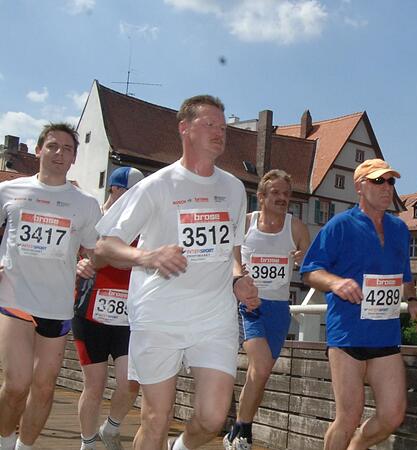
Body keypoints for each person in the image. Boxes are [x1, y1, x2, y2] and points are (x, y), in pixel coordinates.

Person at [94, 95, 258, 450]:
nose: (219, 132)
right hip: (159, 315)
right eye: (209, 124)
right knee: (156, 418)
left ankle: (180, 447)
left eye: (223, 126)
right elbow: (105, 245)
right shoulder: (157, 185)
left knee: (213, 418)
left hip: (213, 317)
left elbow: (231, 249)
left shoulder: (233, 188)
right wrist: (147, 255)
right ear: (184, 129)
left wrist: (238, 277)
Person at [301, 158, 417, 450]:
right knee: (348, 416)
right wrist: (335, 283)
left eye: (391, 181)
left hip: (385, 333)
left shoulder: (399, 228)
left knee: (393, 414)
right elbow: (310, 271)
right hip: (348, 333)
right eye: (378, 181)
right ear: (359, 187)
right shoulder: (340, 225)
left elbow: (404, 275)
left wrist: (413, 300)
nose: (387, 188)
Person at [0, 123, 103, 450]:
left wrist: (90, 263)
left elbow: (95, 249)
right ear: (39, 149)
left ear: (74, 158)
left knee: (44, 388)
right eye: (53, 146)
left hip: (57, 305)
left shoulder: (85, 204)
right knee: (16, 385)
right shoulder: (10, 191)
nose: (60, 153)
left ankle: (25, 446)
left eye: (68, 149)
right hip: (15, 296)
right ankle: (4, 439)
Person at [223, 169, 310, 450]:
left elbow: (310, 264)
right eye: (276, 193)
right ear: (261, 196)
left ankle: (238, 429)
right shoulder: (246, 224)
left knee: (260, 373)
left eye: (286, 194)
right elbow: (231, 260)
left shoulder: (295, 227)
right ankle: (245, 431)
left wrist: (302, 258)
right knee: (259, 367)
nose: (282, 198)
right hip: (251, 305)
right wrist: (239, 274)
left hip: (279, 309)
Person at [73, 167, 144, 450]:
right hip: (90, 313)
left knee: (131, 382)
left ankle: (110, 428)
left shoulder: (141, 224)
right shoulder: (94, 220)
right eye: (130, 193)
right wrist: (78, 263)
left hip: (127, 317)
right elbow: (74, 254)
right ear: (115, 190)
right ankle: (87, 442)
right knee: (95, 384)